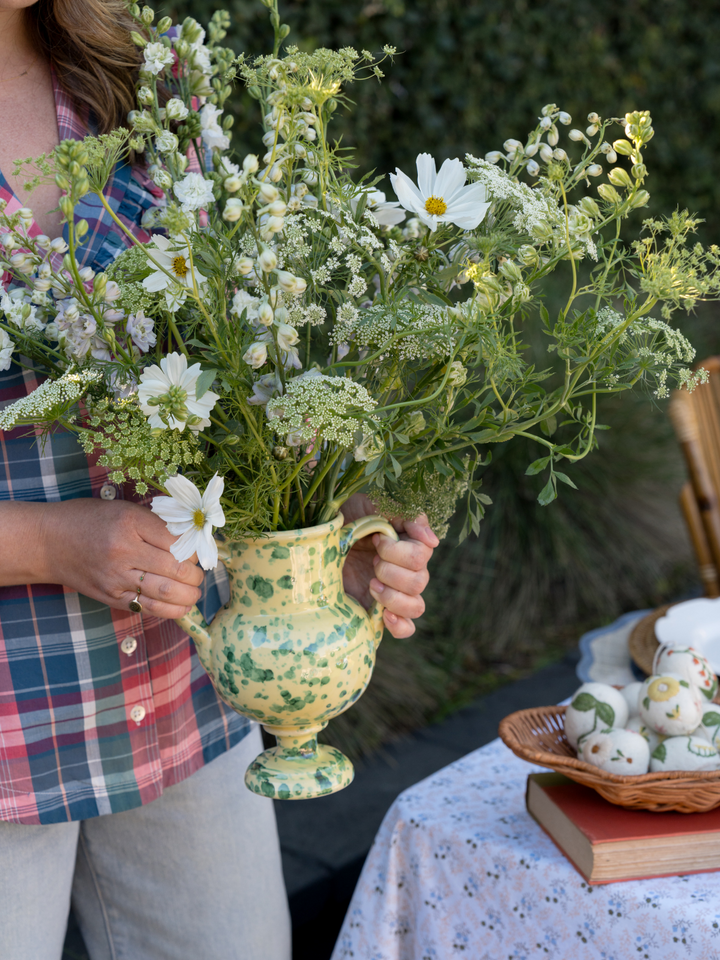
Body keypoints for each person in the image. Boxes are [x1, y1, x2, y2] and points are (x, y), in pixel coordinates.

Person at [0, 1, 438, 958]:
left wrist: (329, 525)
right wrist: (46, 543)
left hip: (188, 681)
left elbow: (243, 364)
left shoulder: (135, 77)